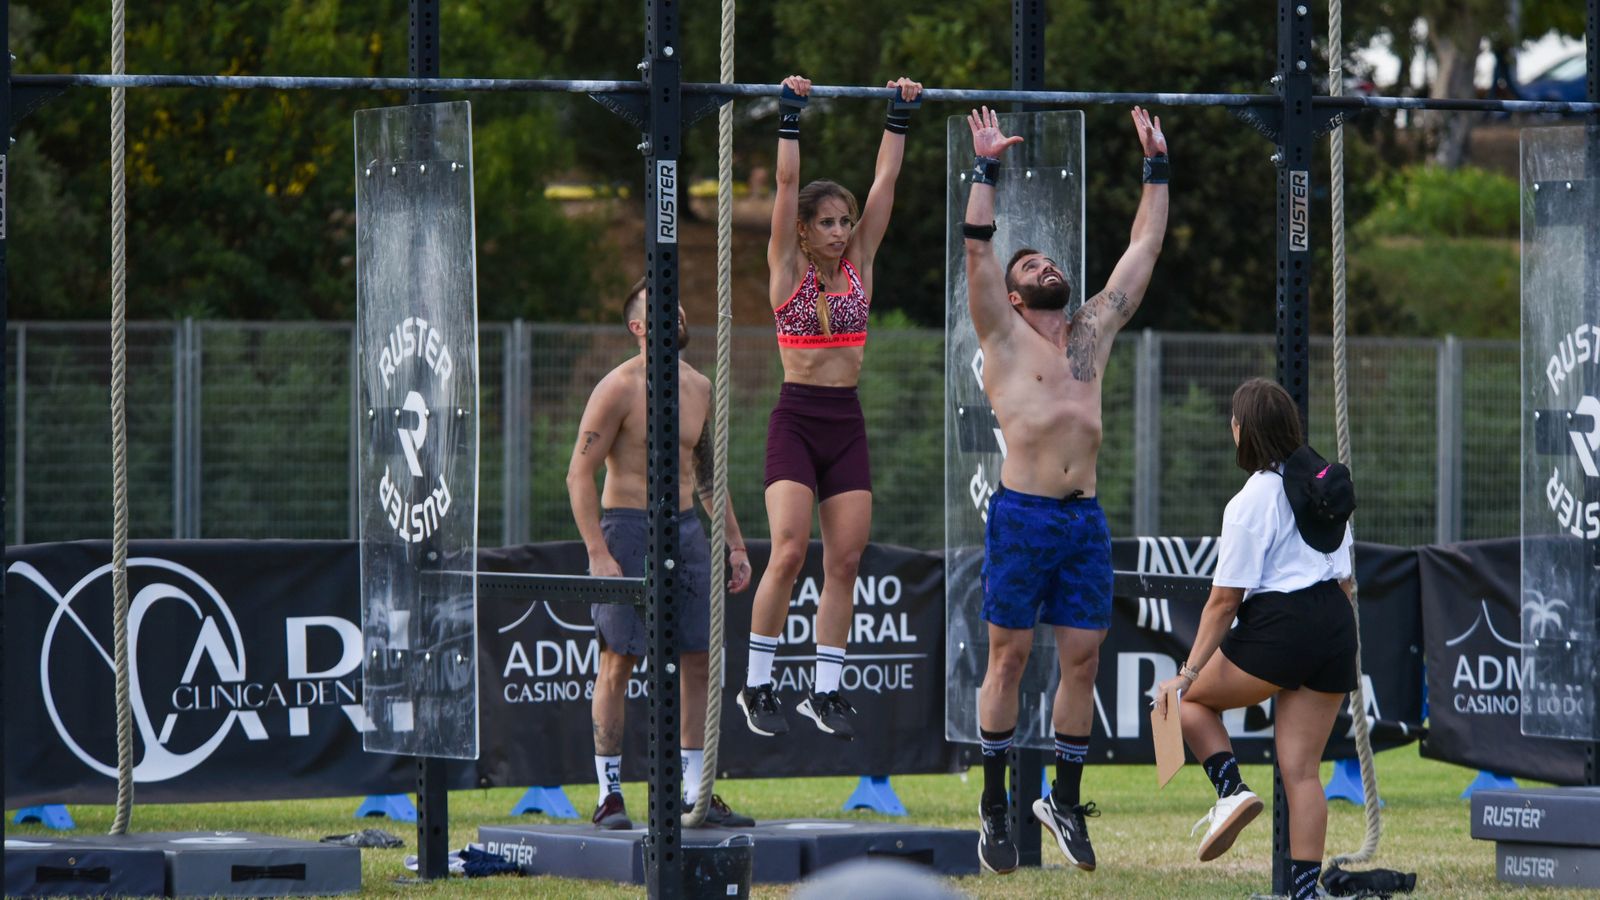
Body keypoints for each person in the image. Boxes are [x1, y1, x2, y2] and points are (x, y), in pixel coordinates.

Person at [959, 105, 1169, 875]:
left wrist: (1156, 166)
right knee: (1008, 661)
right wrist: (985, 168)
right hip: (1021, 517)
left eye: (1048, 262)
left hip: (1083, 520)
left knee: (1082, 661)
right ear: (1015, 296)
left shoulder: (1091, 332)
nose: (1044, 266)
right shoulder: (1002, 335)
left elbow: (1143, 246)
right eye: (1031, 268)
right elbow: (978, 251)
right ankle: (993, 806)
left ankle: (1064, 800)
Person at [737, 73, 923, 741]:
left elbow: (885, 187)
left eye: (845, 221)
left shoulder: (859, 265)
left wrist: (896, 115)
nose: (842, 231)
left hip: (846, 422)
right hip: (796, 418)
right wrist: (790, 116)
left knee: (844, 559)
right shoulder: (786, 270)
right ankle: (757, 686)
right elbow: (786, 188)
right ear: (806, 232)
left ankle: (825, 690)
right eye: (829, 223)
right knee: (788, 553)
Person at [1154, 377, 1357, 900]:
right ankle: (1306, 893)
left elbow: (1224, 602)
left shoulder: (1251, 500)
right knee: (1303, 772)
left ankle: (1231, 791)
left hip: (1282, 625)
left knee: (1189, 703)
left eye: (1234, 422)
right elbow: (1347, 581)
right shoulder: (1322, 485)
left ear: (1244, 431)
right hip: (1336, 624)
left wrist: (1188, 672)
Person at [566, 277, 756, 830]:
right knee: (618, 661)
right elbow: (578, 473)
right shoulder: (617, 388)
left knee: (698, 658)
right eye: (659, 311)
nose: (673, 316)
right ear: (637, 327)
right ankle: (609, 795)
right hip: (626, 529)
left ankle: (693, 793)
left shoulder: (699, 386)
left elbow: (707, 478)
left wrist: (735, 544)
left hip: (687, 529)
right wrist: (598, 554)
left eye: (676, 306)